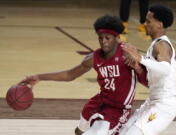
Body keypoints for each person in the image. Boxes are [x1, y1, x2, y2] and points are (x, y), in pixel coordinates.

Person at [19, 15, 147, 135]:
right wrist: (39, 77)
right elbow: (70, 75)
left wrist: (137, 67)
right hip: (98, 102)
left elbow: (146, 79)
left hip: (118, 110)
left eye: (107, 38)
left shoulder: (127, 53)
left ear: (117, 37)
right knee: (79, 131)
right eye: (100, 38)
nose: (103, 42)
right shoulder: (93, 58)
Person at [120, 4, 176, 135]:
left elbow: (165, 69)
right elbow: (152, 80)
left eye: (148, 21)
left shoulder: (161, 45)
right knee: (122, 132)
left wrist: (140, 58)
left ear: (160, 24)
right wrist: (137, 67)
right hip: (153, 101)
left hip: (164, 105)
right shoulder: (155, 44)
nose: (145, 24)